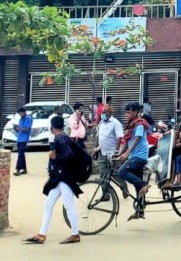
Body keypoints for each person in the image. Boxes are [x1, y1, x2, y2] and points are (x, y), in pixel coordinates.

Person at [23, 116, 82, 245]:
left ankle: (75, 234)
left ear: (52, 127)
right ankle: (41, 234)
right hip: (60, 177)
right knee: (48, 204)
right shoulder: (63, 137)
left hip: (65, 177)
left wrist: (55, 157)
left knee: (69, 204)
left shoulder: (60, 138)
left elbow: (69, 156)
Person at [116, 102, 152, 210]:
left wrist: (126, 154)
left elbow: (136, 139)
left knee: (121, 172)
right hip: (134, 155)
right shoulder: (131, 125)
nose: (125, 115)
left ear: (135, 112)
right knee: (137, 185)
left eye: (128, 112)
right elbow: (127, 142)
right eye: (125, 113)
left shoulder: (139, 124)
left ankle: (143, 184)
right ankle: (140, 209)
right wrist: (119, 153)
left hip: (139, 156)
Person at [96, 104, 124, 188]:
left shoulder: (115, 123)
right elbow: (99, 136)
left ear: (110, 113)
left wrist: (116, 151)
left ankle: (124, 187)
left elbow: (119, 137)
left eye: (104, 112)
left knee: (115, 173)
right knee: (102, 174)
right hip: (102, 152)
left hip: (112, 153)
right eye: (102, 112)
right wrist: (96, 149)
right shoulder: (101, 123)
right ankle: (105, 194)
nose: (102, 114)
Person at [13, 107, 33, 175]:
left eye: (21, 113)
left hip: (24, 139)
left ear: (24, 112)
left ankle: (18, 170)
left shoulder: (29, 119)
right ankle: (24, 169)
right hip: (19, 138)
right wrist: (16, 128)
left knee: (20, 154)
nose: (20, 115)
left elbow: (26, 130)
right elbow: (20, 130)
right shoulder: (21, 119)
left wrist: (19, 126)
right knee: (21, 154)